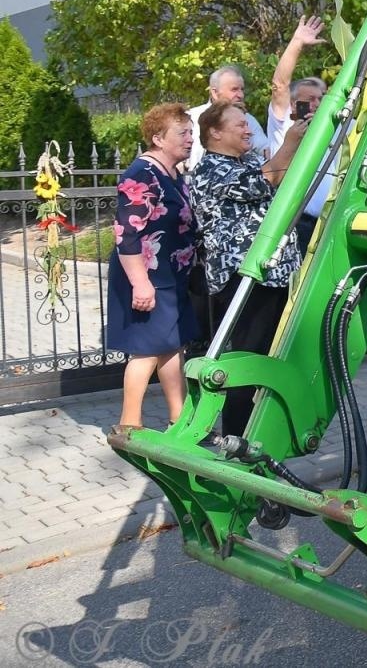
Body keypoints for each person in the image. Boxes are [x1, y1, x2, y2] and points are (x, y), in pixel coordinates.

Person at [188, 102, 307, 436]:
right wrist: (290, 144)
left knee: (268, 357)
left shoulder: (248, 161)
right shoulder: (212, 168)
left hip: (271, 277)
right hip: (243, 279)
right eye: (239, 124)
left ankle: (260, 432)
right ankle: (235, 435)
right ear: (215, 132)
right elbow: (260, 182)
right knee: (247, 358)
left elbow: (277, 176)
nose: (247, 129)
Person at [106, 103, 200, 431]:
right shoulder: (142, 174)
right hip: (147, 276)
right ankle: (128, 424)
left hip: (169, 277)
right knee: (145, 351)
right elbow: (126, 233)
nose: (190, 139)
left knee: (171, 346)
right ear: (158, 139)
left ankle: (181, 419)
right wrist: (140, 283)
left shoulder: (172, 173)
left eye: (191, 132)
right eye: (182, 133)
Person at [264, 16, 333, 254]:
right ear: (293, 104)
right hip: (294, 224)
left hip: (330, 224)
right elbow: (280, 84)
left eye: (322, 98)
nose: (317, 104)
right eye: (309, 100)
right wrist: (297, 42)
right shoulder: (283, 122)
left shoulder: (335, 125)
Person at [187, 65, 268, 169]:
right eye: (234, 89)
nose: (241, 95)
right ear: (215, 93)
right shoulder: (191, 117)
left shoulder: (249, 119)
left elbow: (265, 150)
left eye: (242, 89)